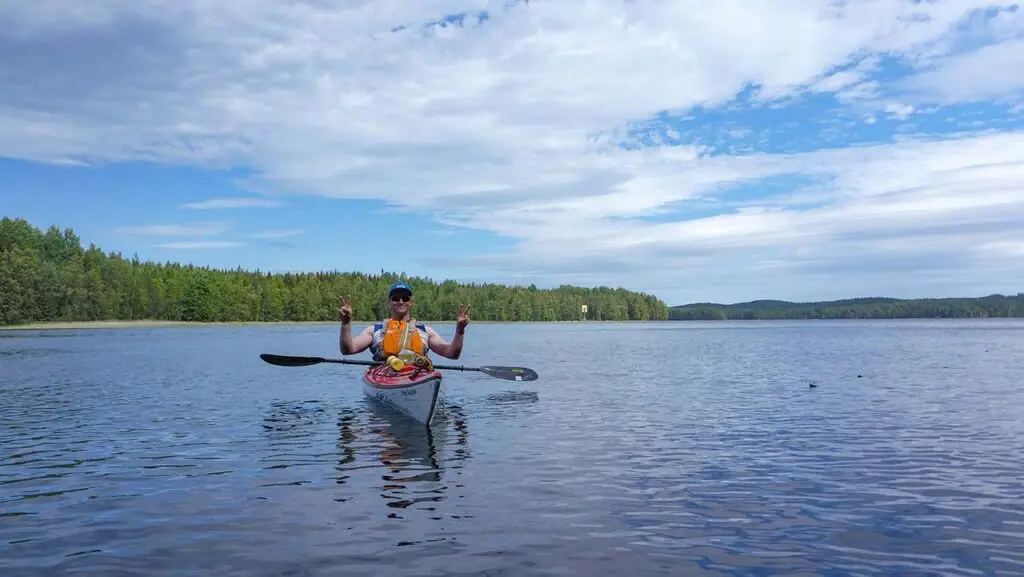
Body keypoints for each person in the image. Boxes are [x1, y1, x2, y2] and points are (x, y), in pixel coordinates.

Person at [337, 281, 470, 367]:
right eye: (396, 298)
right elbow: (348, 349)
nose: (401, 301)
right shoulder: (374, 331)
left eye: (405, 298)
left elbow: (452, 354)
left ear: (411, 302)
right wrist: (346, 323)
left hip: (416, 375)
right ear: (390, 301)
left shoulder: (426, 331)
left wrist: (460, 330)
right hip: (385, 375)